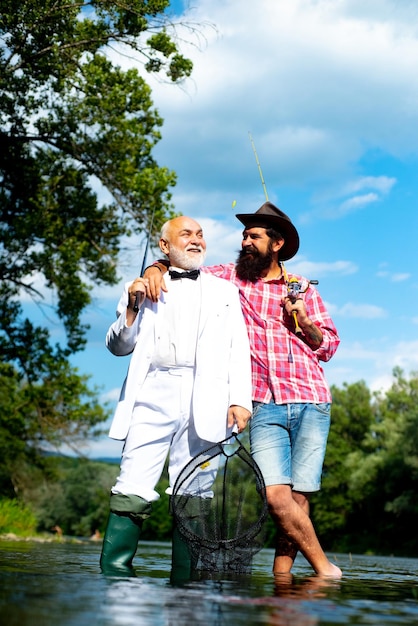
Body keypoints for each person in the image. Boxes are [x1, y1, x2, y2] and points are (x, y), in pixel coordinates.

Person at [144, 202, 342, 579]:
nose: (245, 242)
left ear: (277, 243)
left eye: (254, 237)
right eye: (244, 236)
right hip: (263, 404)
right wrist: (155, 266)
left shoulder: (302, 288)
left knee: (298, 500)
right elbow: (185, 265)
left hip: (312, 399)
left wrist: (303, 319)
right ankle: (325, 569)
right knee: (275, 497)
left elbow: (329, 346)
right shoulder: (227, 279)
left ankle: (282, 580)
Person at [100, 216, 252, 577]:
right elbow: (117, 346)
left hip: (208, 395)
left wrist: (240, 399)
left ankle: (187, 587)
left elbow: (237, 346)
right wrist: (133, 306)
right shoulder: (140, 286)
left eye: (200, 235)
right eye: (186, 234)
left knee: (196, 488)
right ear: (165, 246)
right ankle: (115, 580)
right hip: (153, 391)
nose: (196, 240)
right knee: (132, 480)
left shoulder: (224, 290)